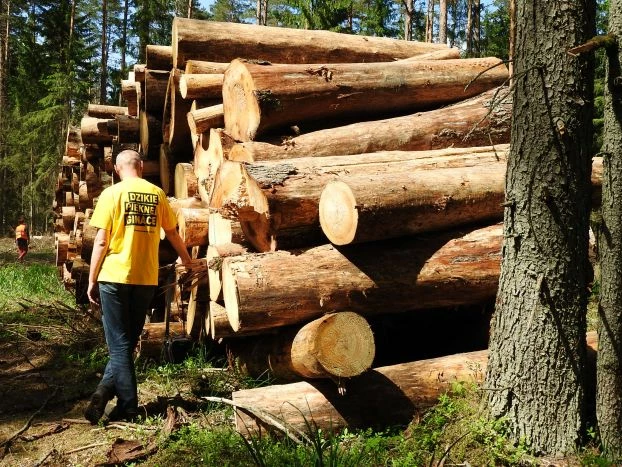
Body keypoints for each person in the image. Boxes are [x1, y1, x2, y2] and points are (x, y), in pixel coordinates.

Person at [85, 149, 193, 424]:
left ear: (117, 169)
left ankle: (129, 406)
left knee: (119, 345)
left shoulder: (112, 194)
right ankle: (102, 393)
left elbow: (100, 241)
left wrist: (91, 277)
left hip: (114, 277)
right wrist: (188, 260)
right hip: (145, 278)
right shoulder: (156, 194)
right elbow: (172, 233)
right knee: (127, 342)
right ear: (141, 167)